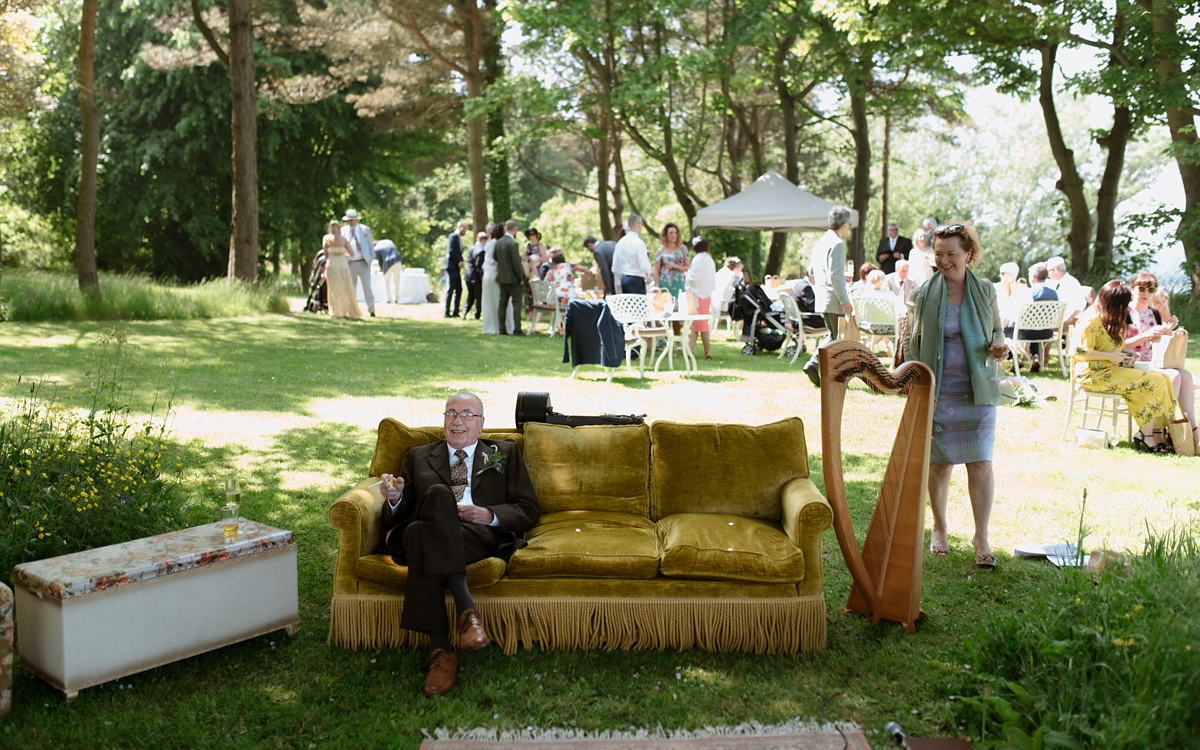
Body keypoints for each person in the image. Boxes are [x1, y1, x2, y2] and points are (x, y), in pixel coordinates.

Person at [379, 391, 540, 696]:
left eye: (467, 414)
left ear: (481, 424)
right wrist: (396, 498)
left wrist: (489, 514)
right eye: (451, 413)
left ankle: (441, 650)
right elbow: (408, 511)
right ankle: (467, 615)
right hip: (426, 529)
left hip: (478, 536)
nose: (457, 420)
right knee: (436, 500)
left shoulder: (504, 452)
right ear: (443, 422)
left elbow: (529, 509)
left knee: (418, 537)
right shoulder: (417, 456)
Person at [904, 221, 1006, 568]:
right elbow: (910, 340)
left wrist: (998, 347)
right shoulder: (923, 292)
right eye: (939, 254)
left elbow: (996, 329)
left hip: (977, 387)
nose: (944, 261)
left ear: (969, 254)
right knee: (940, 464)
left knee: (981, 463)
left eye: (951, 254)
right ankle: (940, 527)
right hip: (938, 388)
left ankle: (981, 535)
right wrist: (915, 381)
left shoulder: (986, 290)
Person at [1074, 280, 1176, 453]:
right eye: (1122, 305)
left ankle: (1152, 432)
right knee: (1153, 382)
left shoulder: (1109, 318)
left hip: (1112, 369)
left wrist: (1127, 354)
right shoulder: (1091, 320)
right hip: (1093, 375)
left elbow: (1112, 346)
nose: (1125, 309)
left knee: (1163, 378)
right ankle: (1147, 434)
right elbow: (1079, 352)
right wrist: (1110, 357)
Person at [1127, 272, 1196, 445]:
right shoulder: (1125, 312)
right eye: (1141, 288)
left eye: (1151, 289)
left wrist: (1168, 331)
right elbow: (1121, 344)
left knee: (1186, 375)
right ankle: (1167, 428)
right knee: (1174, 376)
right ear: (1132, 288)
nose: (1146, 293)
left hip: (1154, 362)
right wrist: (1147, 334)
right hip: (1133, 363)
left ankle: (1192, 428)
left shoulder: (1154, 313)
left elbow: (1156, 343)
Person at [801, 206, 855, 388]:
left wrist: (841, 274)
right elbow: (834, 275)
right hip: (833, 297)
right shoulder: (838, 243)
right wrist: (844, 299)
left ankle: (824, 370)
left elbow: (812, 271)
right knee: (836, 337)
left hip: (822, 295)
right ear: (845, 224)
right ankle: (814, 364)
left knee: (833, 335)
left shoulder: (821, 241)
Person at [685, 235, 716, 359]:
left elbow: (693, 278)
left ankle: (706, 350)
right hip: (706, 295)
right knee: (698, 324)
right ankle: (692, 351)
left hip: (697, 295)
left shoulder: (697, 260)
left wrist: (687, 277)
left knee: (699, 324)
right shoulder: (709, 259)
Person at [341, 209, 376, 317]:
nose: (350, 223)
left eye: (351, 220)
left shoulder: (364, 229)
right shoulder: (344, 230)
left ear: (356, 220)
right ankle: (352, 309)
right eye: (348, 221)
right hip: (350, 262)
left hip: (363, 262)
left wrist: (370, 259)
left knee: (367, 286)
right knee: (351, 287)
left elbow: (370, 246)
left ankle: (371, 308)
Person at [481, 223, 514, 335]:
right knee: (493, 301)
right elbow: (488, 259)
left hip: (494, 275)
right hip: (492, 276)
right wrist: (500, 265)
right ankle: (493, 327)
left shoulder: (497, 243)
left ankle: (500, 326)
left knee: (497, 301)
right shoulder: (494, 243)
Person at [323, 220, 360, 319]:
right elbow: (352, 253)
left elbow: (325, 254)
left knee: (333, 289)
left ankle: (335, 312)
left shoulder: (326, 239)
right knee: (346, 287)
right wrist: (343, 254)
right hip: (342, 265)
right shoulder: (343, 240)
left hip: (332, 265)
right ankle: (349, 311)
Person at [495, 219, 526, 336]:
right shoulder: (513, 244)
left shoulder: (498, 243)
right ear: (515, 229)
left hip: (502, 278)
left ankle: (501, 329)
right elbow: (516, 264)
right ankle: (517, 329)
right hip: (513, 279)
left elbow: (495, 258)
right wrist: (521, 278)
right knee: (516, 304)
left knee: (502, 304)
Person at [611, 214, 652, 296]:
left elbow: (615, 268)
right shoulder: (639, 243)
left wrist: (623, 277)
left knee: (627, 307)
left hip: (624, 279)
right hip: (637, 280)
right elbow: (644, 265)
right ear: (639, 224)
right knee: (639, 307)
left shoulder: (620, 243)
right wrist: (648, 272)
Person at [1047, 256, 1086, 329]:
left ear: (1055, 270)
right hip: (1059, 320)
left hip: (1071, 321)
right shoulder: (1057, 283)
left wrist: (1067, 320)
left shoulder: (1071, 282)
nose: (1048, 274)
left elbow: (1080, 305)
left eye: (1049, 271)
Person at [995, 262, 1030, 329]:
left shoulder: (1022, 291)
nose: (1000, 276)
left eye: (1002, 273)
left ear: (1010, 275)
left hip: (1013, 326)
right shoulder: (999, 287)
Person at [444, 220, 466, 318]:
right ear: (460, 227)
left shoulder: (458, 238)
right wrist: (459, 261)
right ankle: (447, 311)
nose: (466, 231)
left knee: (459, 289)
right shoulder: (453, 237)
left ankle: (455, 311)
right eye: (465, 228)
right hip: (451, 267)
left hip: (456, 268)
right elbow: (452, 252)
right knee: (451, 288)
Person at [463, 231, 487, 320]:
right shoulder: (481, 251)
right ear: (483, 240)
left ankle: (464, 312)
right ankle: (477, 314)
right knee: (478, 296)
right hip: (476, 277)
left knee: (471, 295)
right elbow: (478, 265)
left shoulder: (471, 248)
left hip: (468, 275)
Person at [375, 239, 403, 305]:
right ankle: (396, 299)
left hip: (388, 263)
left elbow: (380, 261)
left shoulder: (377, 248)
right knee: (396, 281)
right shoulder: (389, 242)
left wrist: (382, 269)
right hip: (398, 260)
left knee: (386, 281)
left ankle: (388, 299)